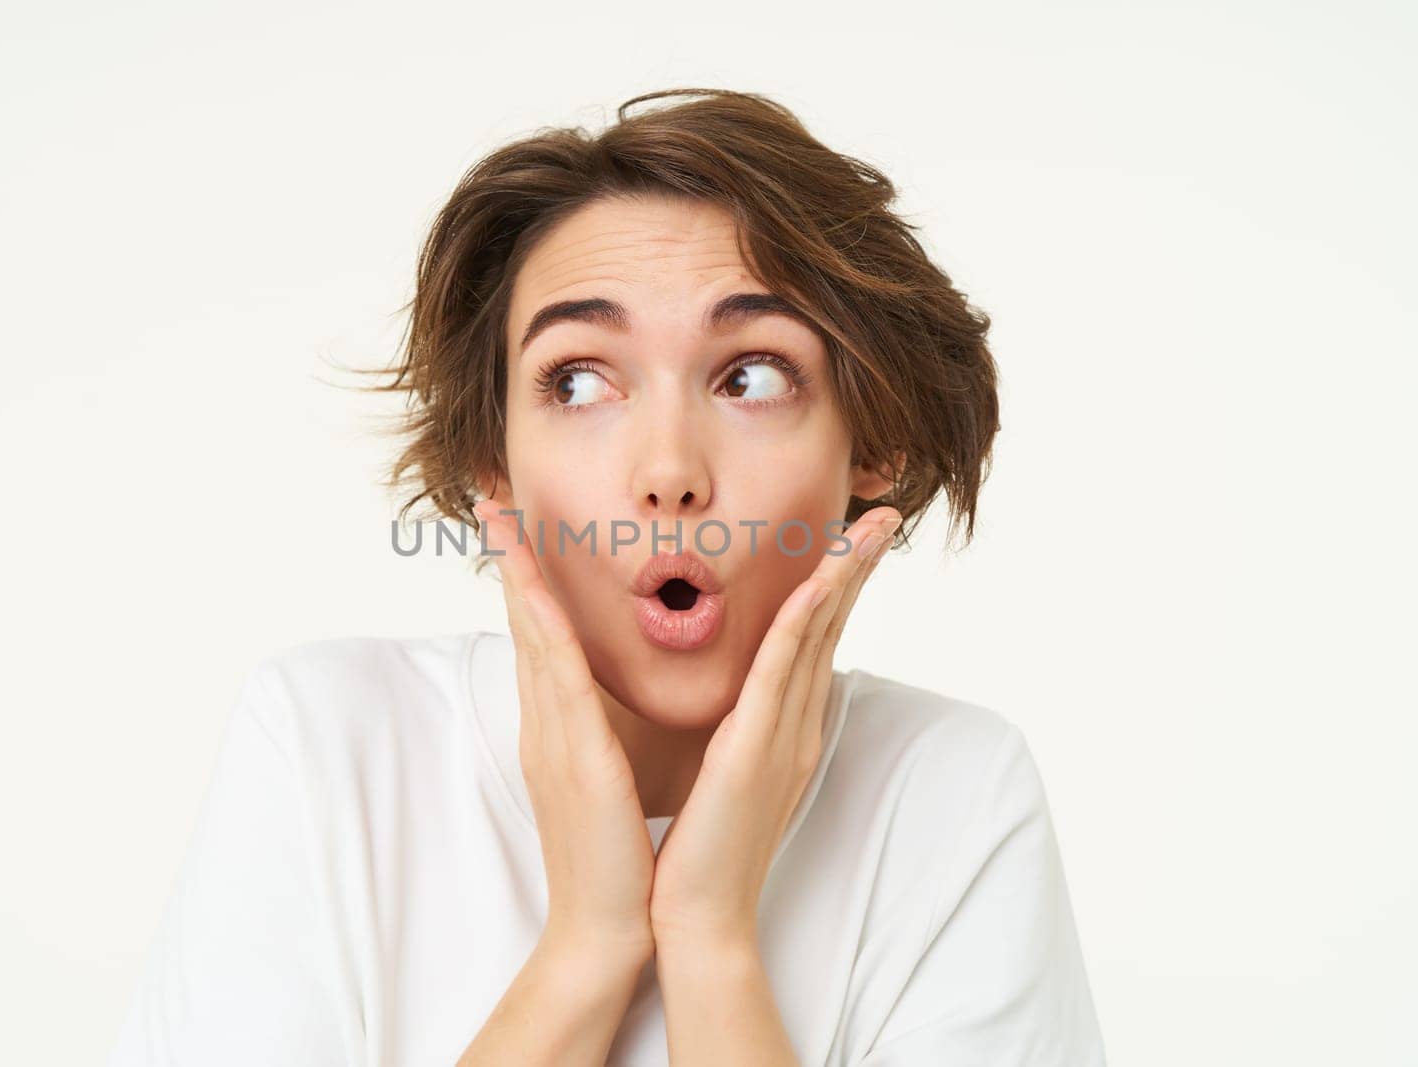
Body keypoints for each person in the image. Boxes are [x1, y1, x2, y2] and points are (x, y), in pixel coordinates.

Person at [108, 88, 1106, 1065]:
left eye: (751, 374)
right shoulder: (330, 744)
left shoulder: (952, 791)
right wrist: (588, 943)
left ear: (872, 443)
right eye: (578, 380)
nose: (668, 472)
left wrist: (710, 936)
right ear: (493, 460)